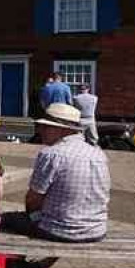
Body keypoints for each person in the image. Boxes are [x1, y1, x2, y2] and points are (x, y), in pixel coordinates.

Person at [18, 103, 110, 243]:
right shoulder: (98, 154)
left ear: (63, 130)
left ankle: (18, 263)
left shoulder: (51, 154)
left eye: (46, 127)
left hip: (59, 230)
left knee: (5, 220)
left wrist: (35, 219)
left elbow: (33, 199)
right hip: (97, 230)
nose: (40, 131)